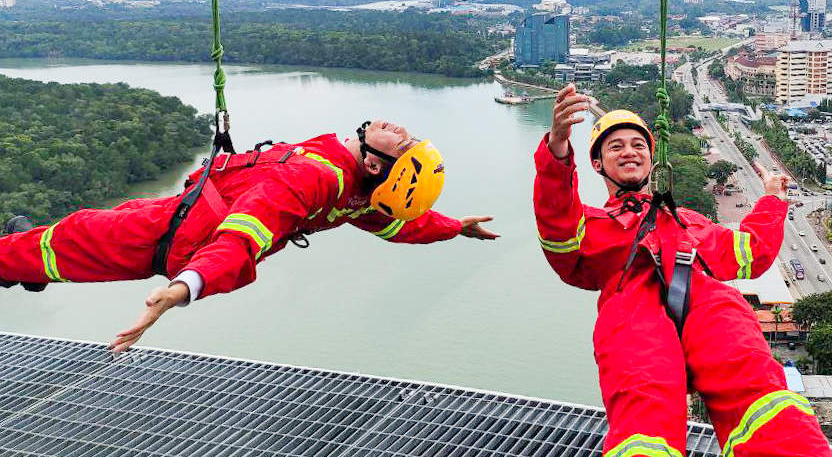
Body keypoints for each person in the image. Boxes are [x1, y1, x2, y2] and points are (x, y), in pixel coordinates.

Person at [533, 85, 832, 457]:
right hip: (634, 315)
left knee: (760, 390)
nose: (629, 152)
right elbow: (558, 231)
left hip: (708, 303)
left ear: (652, 160)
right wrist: (557, 151)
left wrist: (772, 197)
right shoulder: (593, 226)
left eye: (638, 145)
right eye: (615, 146)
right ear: (597, 163)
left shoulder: (690, 222)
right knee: (643, 427)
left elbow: (751, 249)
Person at [0, 120, 497, 352]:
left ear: (376, 163)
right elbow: (400, 223)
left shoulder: (315, 182)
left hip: (170, 235)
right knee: (72, 232)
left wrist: (182, 290)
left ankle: (16, 264)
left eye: (402, 143)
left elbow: (243, 238)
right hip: (184, 212)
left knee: (72, 238)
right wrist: (457, 228)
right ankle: (28, 263)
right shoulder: (356, 195)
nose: (401, 129)